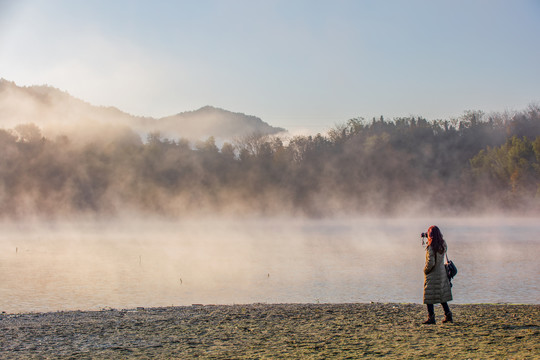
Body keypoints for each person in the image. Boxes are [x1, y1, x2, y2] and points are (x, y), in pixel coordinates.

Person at [422, 225, 453, 324]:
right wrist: (429, 237)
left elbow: (431, 262)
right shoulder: (443, 244)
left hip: (432, 273)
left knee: (429, 296)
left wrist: (425, 270)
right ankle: (448, 315)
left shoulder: (431, 246)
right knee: (441, 295)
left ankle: (431, 317)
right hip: (442, 273)